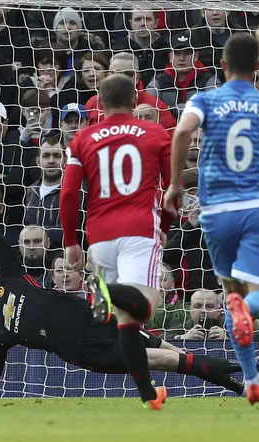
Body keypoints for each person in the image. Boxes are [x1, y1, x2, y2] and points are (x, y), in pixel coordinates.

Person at [0, 142, 259, 401]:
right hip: (87, 348)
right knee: (167, 360)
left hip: (97, 318)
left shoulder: (10, 275)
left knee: (171, 351)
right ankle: (250, 368)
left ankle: (242, 386)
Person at [163, 33, 259, 405]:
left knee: (230, 295)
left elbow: (183, 132)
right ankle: (247, 313)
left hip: (216, 212)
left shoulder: (205, 99)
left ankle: (253, 381)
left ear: (221, 65)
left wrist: (176, 184)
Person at [59, 74, 174, 409]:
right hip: (139, 228)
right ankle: (103, 292)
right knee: (146, 307)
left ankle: (148, 396)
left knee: (126, 321)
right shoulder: (155, 133)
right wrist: (164, 225)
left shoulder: (83, 137)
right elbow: (171, 188)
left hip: (99, 234)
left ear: (101, 102)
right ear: (136, 99)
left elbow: (68, 194)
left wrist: (70, 240)